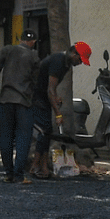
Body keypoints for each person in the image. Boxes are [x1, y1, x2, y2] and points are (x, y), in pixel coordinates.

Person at [29, 41, 92, 179]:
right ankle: (36, 166)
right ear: (73, 53)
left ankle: (42, 166)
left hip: (43, 98)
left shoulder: (65, 64)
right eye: (80, 59)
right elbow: (50, 89)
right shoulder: (58, 62)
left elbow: (51, 88)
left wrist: (56, 98)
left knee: (47, 132)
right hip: (37, 98)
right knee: (44, 131)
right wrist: (58, 114)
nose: (80, 63)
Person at [0, 29, 40, 184]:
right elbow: (36, 80)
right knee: (23, 138)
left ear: (20, 39)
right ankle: (18, 175)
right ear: (33, 42)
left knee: (5, 137)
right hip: (24, 101)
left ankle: (8, 173)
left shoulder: (7, 50)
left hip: (6, 100)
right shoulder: (33, 55)